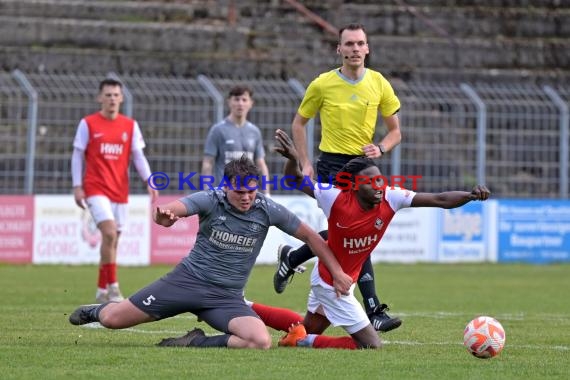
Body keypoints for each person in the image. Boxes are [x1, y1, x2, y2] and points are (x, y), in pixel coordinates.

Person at [68, 155, 353, 349]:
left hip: (225, 298)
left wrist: (338, 273)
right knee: (113, 320)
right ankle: (97, 310)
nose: (246, 197)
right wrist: (165, 216)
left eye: (251, 192)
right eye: (239, 192)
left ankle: (194, 341)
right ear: (226, 186)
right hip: (186, 282)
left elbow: (313, 238)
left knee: (259, 342)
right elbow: (175, 209)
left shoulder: (266, 209)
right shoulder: (211, 199)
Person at [270, 129, 490, 349]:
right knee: (371, 344)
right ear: (354, 186)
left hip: (346, 278)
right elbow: (295, 180)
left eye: (380, 180)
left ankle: (263, 318)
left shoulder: (391, 196)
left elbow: (440, 199)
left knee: (309, 330)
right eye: (370, 182)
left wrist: (470, 196)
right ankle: (295, 339)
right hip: (331, 281)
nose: (378, 186)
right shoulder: (334, 197)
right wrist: (293, 159)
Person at [275, 23, 403, 332]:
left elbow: (396, 131)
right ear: (339, 49)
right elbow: (298, 124)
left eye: (360, 43)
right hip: (333, 166)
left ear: (367, 48)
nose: (355, 49)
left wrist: (381, 147)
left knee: (350, 234)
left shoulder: (379, 83)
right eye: (349, 44)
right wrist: (305, 162)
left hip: (365, 166)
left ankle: (292, 259)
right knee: (354, 233)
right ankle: (373, 310)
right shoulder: (322, 84)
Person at [71, 78, 159, 303]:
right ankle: (114, 289)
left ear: (121, 98)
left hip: (119, 191)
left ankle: (101, 290)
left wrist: (150, 181)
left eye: (115, 95)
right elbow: (77, 155)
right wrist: (77, 186)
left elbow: (138, 156)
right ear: (100, 97)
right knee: (109, 233)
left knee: (112, 242)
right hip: (95, 188)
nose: (112, 99)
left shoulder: (130, 125)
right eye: (107, 95)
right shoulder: (88, 123)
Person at [201, 85, 271, 195]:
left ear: (251, 103)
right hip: (225, 193)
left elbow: (261, 164)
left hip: (248, 194)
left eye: (244, 99)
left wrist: (267, 193)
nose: (240, 103)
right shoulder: (218, 130)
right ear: (229, 102)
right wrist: (206, 192)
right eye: (236, 99)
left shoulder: (255, 131)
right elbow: (208, 163)